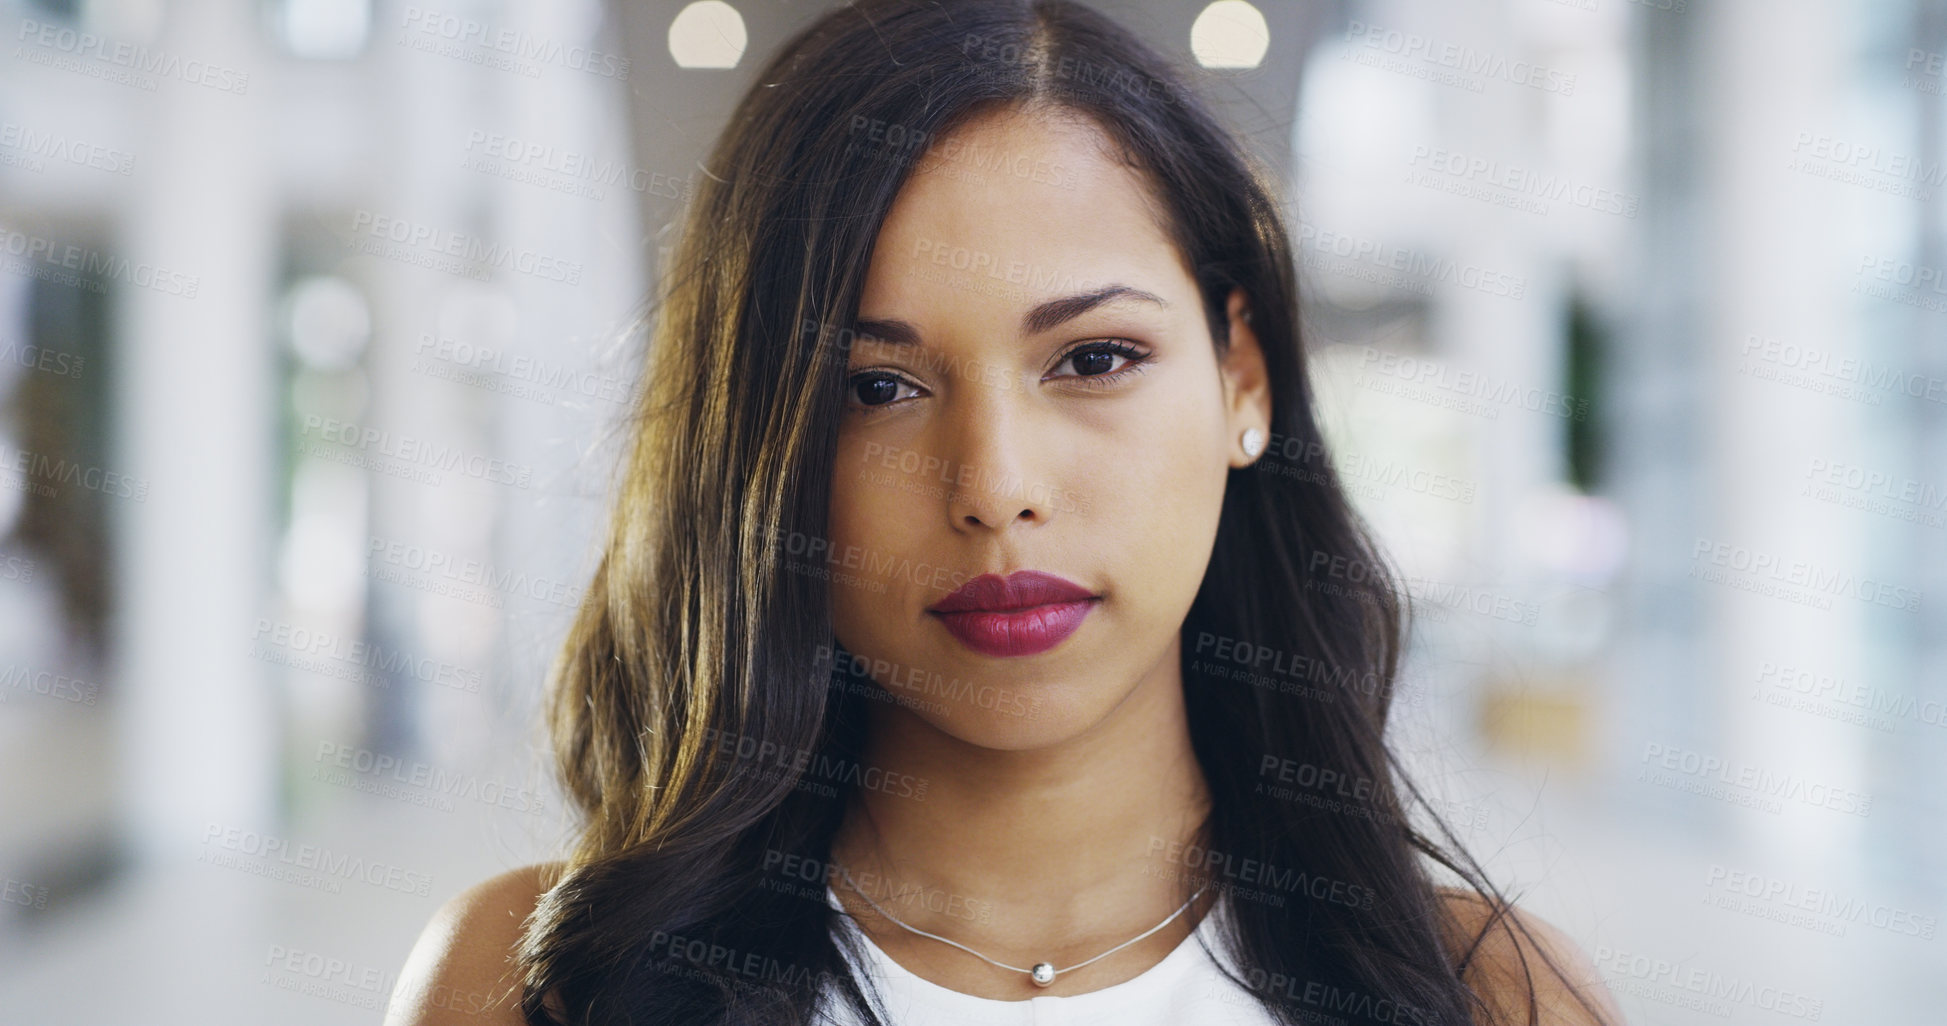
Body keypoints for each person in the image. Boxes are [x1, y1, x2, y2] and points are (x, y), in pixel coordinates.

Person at [384, 1, 1628, 1023]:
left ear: (1240, 377)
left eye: (1092, 360)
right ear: (761, 444)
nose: (994, 487)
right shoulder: (525, 987)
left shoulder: (1502, 999)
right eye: (877, 388)